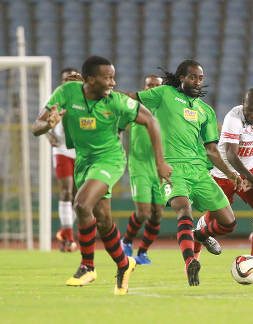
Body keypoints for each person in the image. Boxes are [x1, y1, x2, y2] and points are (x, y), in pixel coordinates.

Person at [32, 56, 172, 295]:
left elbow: (150, 121)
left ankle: (87, 266)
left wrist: (160, 162)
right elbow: (36, 127)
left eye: (113, 76)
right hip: (83, 161)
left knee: (82, 204)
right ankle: (124, 264)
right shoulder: (66, 92)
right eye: (107, 77)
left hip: (110, 159)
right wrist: (48, 125)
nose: (113, 82)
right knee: (103, 218)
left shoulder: (116, 101)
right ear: (90, 80)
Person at [118, 59, 243, 286]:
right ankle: (190, 262)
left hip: (199, 171)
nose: (197, 82)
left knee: (228, 222)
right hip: (171, 169)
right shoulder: (163, 94)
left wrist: (231, 173)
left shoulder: (206, 111)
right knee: (183, 209)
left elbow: (212, 150)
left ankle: (201, 235)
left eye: (200, 78)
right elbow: (131, 97)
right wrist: (104, 92)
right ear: (182, 77)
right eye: (192, 77)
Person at [194, 88, 253, 278]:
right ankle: (194, 256)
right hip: (223, 173)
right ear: (243, 104)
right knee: (214, 218)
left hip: (247, 170)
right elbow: (231, 154)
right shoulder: (233, 117)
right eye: (249, 110)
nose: (252, 115)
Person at [120, 75, 164, 265]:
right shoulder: (134, 108)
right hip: (139, 166)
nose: (152, 89)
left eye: (156, 86)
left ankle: (143, 253)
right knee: (143, 212)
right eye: (149, 85)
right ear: (143, 87)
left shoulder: (166, 110)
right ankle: (127, 240)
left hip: (160, 167)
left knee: (157, 214)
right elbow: (118, 125)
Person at [45, 67, 80, 252]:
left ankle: (64, 231)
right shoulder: (54, 99)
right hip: (61, 150)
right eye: (67, 79)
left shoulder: (85, 99)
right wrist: (48, 135)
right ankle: (68, 239)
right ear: (62, 82)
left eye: (74, 78)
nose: (70, 81)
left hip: (80, 152)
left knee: (77, 197)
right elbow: (42, 123)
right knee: (66, 192)